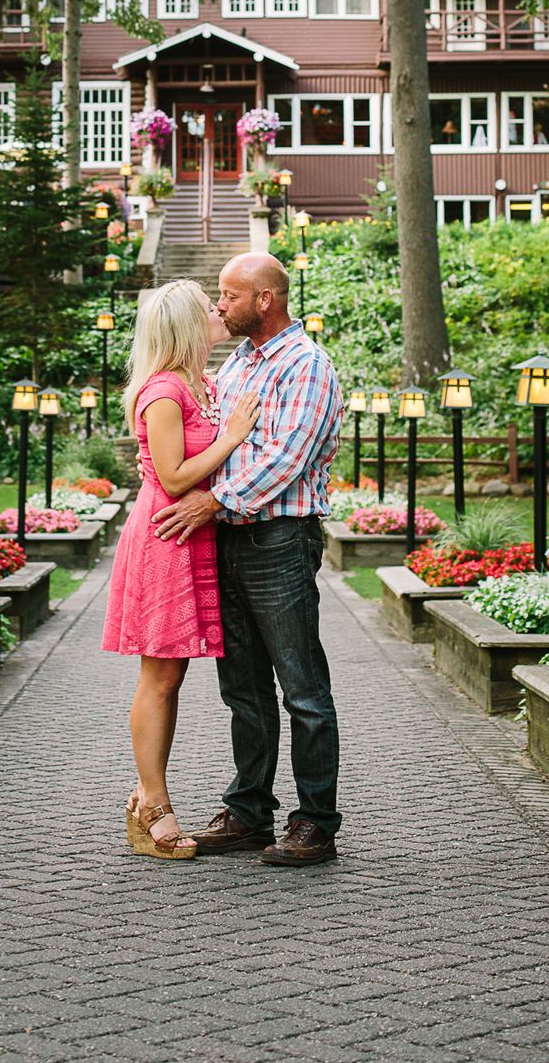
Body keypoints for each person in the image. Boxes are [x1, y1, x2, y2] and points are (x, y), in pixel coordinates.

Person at [150, 252, 346, 866]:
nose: (219, 305)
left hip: (279, 542)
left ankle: (315, 821)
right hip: (226, 542)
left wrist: (212, 500)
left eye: (229, 296)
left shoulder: (306, 365)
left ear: (265, 299)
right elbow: (205, 440)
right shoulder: (236, 365)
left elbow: (286, 459)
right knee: (243, 690)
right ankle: (248, 812)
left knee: (302, 688)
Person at [101, 279, 260, 858]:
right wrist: (233, 436)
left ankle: (148, 794)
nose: (218, 311)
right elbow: (172, 477)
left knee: (171, 678)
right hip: (167, 535)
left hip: (193, 534)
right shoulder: (164, 391)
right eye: (207, 307)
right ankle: (152, 805)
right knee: (161, 677)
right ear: (185, 326)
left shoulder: (203, 383)